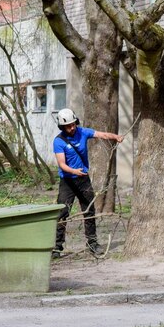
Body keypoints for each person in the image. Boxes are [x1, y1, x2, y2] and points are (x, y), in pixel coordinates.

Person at [52, 108, 123, 257]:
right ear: (62, 127)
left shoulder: (83, 132)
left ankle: (92, 243)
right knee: (63, 213)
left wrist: (116, 137)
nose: (72, 128)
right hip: (67, 181)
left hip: (83, 179)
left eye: (73, 124)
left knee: (89, 210)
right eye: (68, 126)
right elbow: (62, 164)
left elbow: (102, 135)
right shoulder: (58, 141)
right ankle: (57, 247)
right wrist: (73, 171)